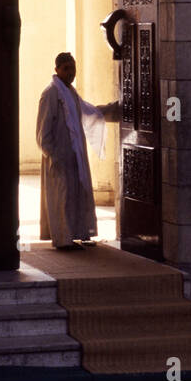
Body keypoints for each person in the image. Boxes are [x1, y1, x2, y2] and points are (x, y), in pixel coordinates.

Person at [36, 52, 119, 250]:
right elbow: (42, 133)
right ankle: (64, 240)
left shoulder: (70, 93)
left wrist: (116, 109)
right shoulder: (51, 94)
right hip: (59, 157)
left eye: (73, 68)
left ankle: (78, 234)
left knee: (77, 195)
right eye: (66, 68)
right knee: (63, 197)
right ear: (56, 70)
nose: (70, 72)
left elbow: (88, 112)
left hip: (74, 155)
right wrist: (54, 156)